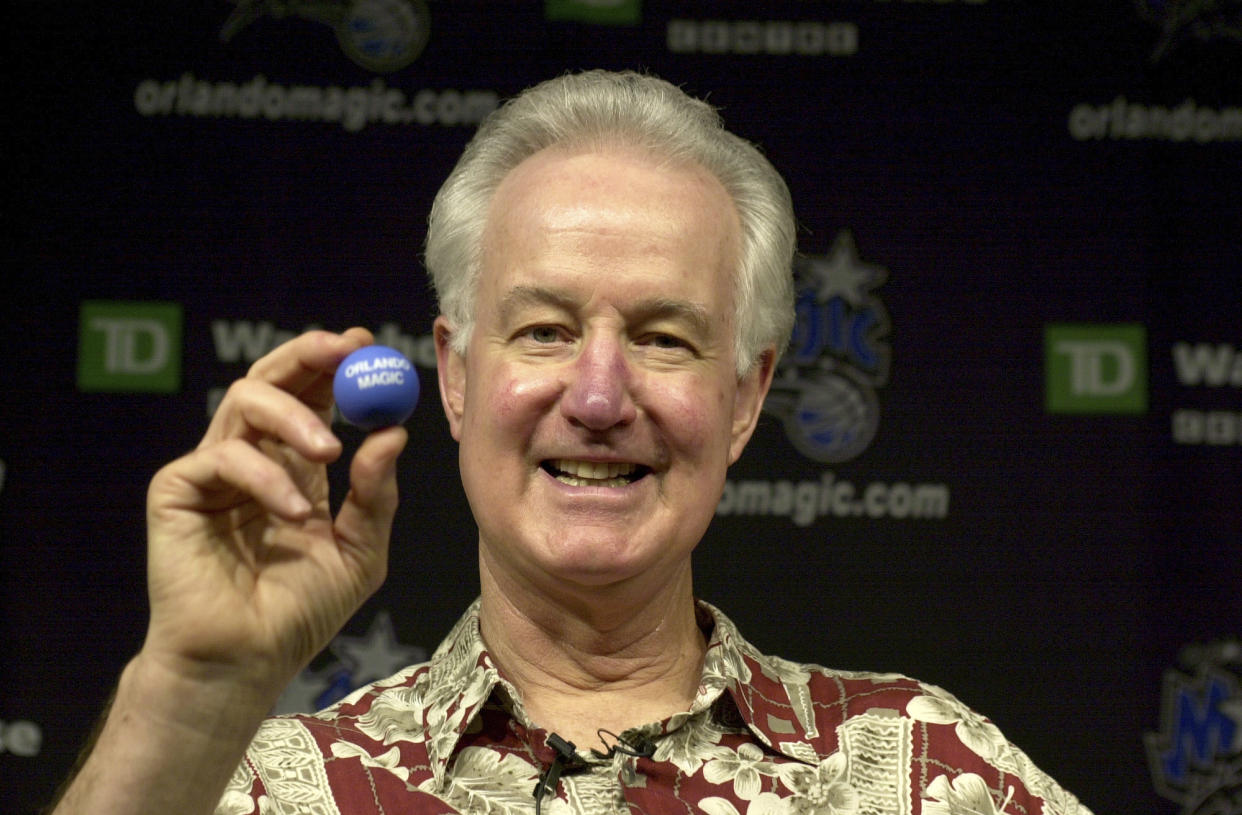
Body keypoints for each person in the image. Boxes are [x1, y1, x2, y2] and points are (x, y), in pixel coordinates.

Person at [51, 70, 1092, 815]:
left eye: (662, 336)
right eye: (545, 328)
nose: (598, 395)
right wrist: (190, 692)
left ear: (746, 395)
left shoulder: (924, 770)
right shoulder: (267, 787)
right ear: (455, 375)